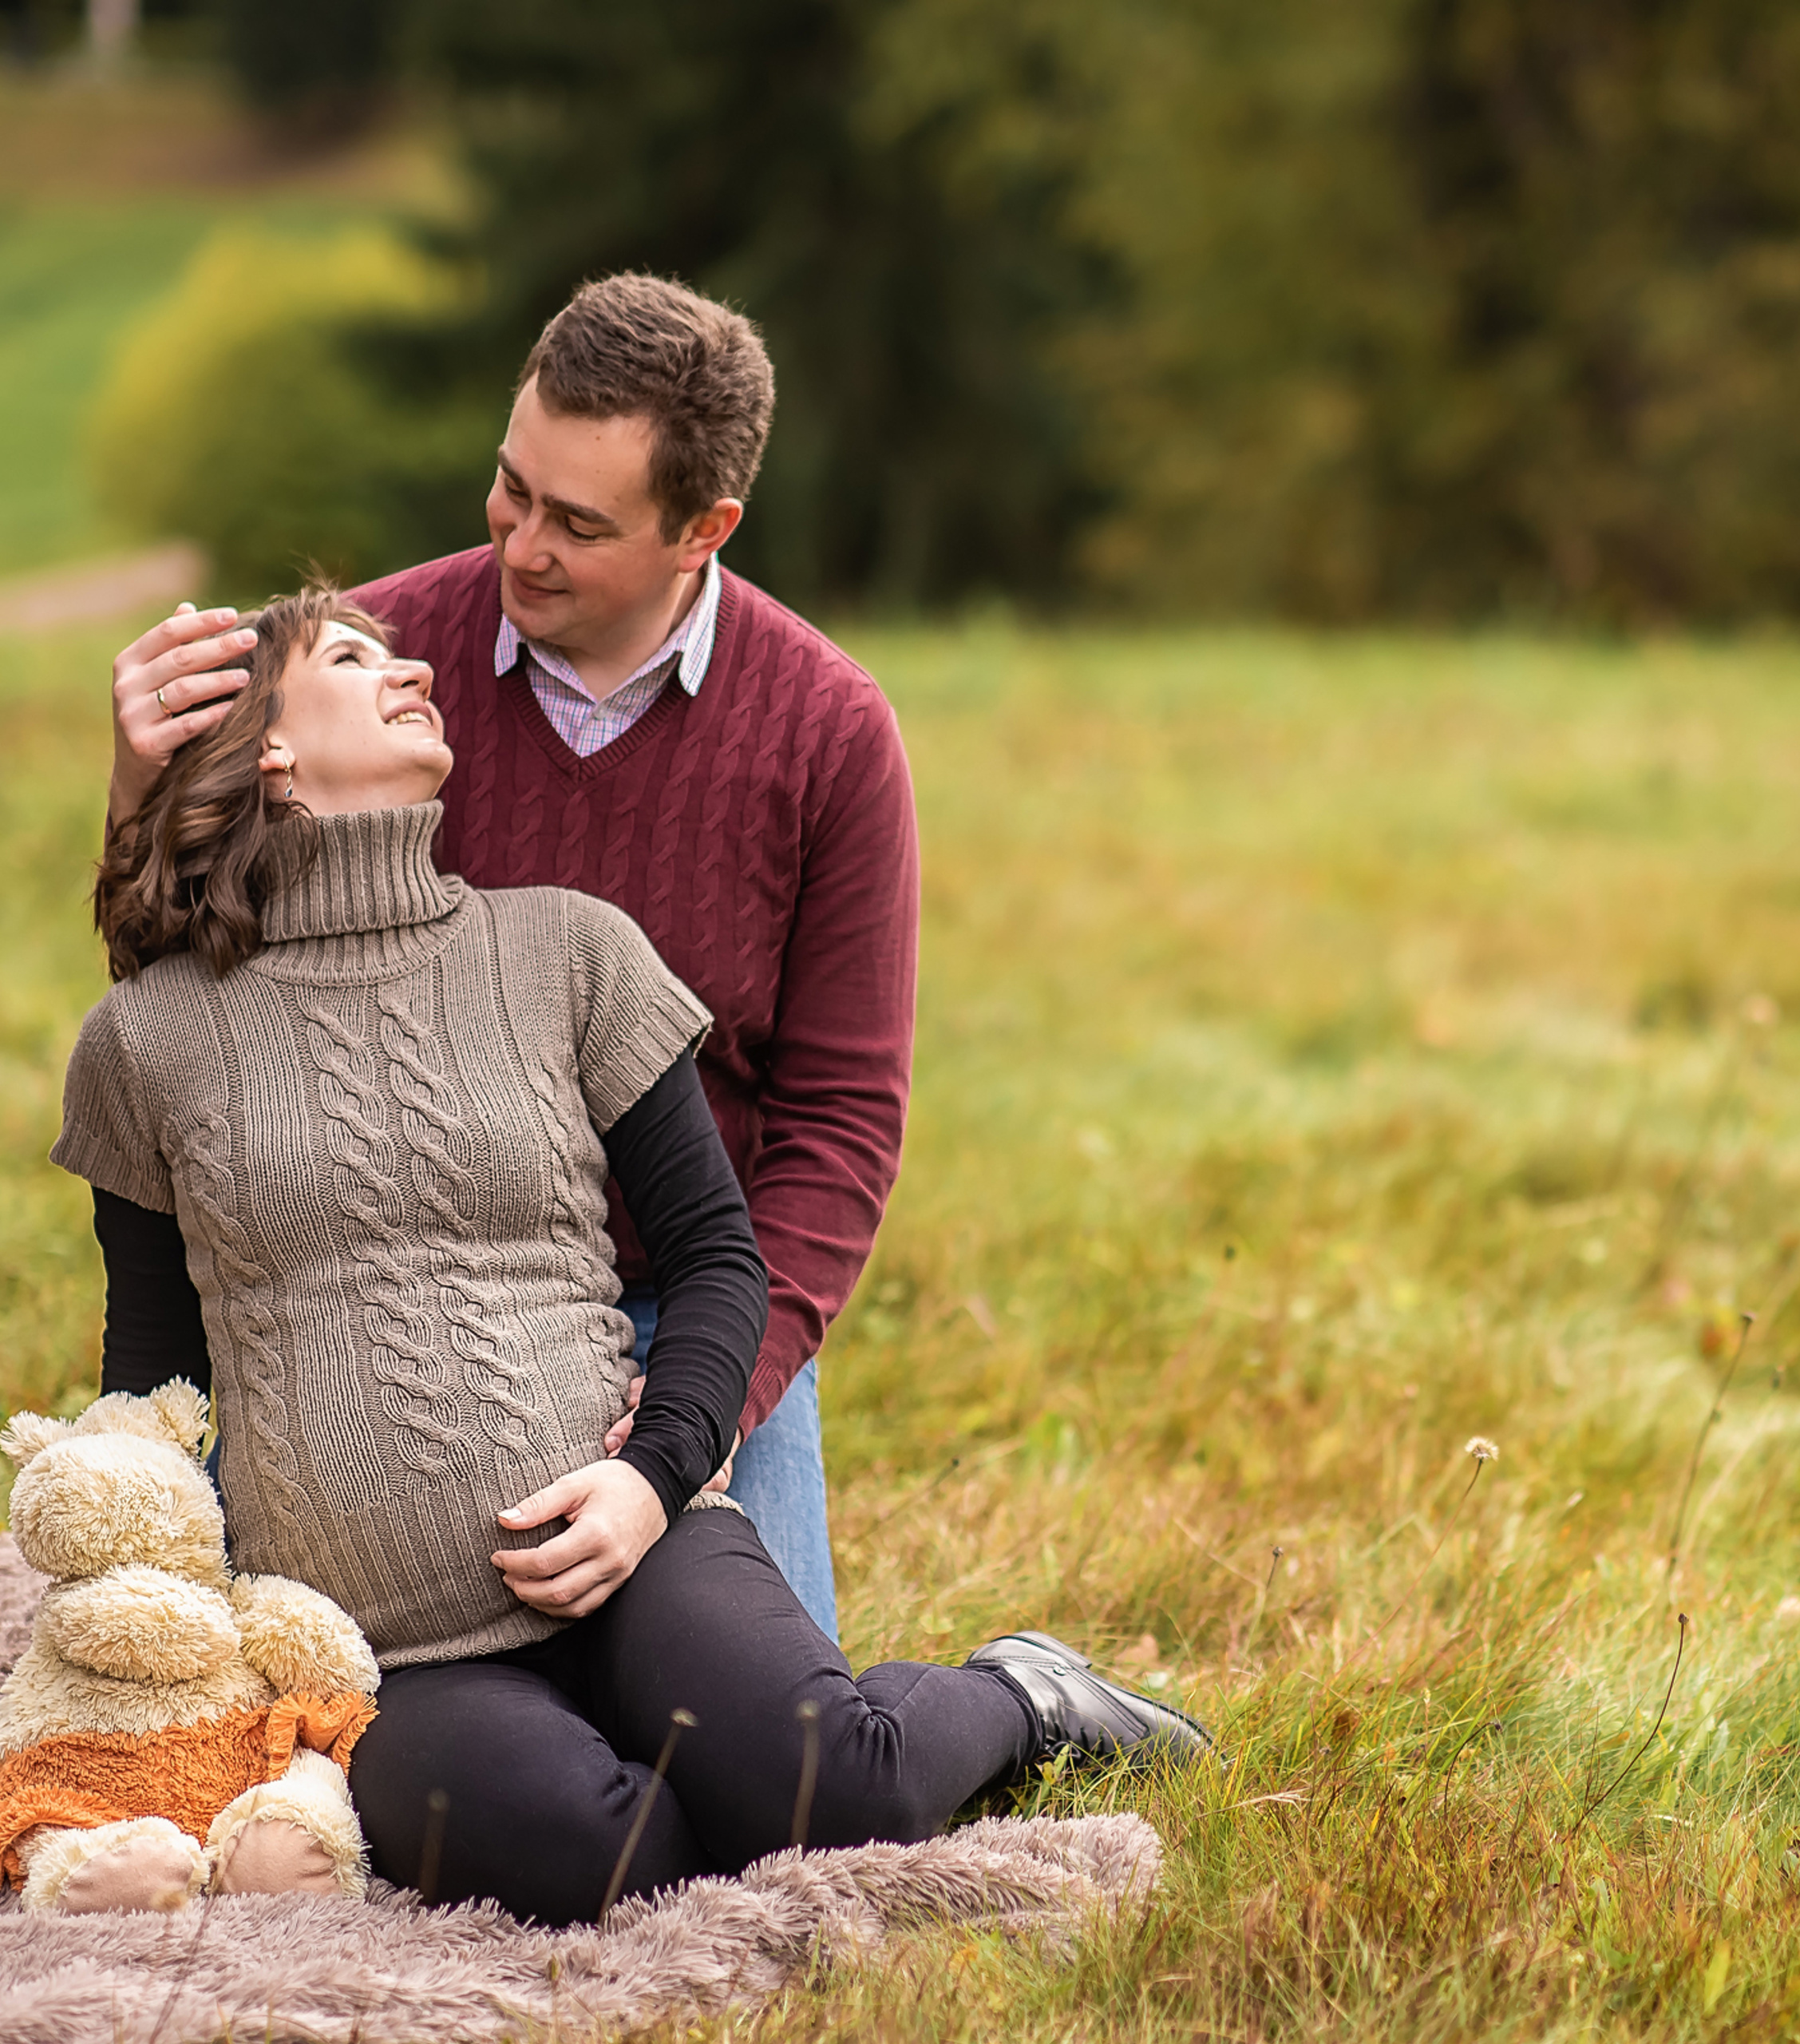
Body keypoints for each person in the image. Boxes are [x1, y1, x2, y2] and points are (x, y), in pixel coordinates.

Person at [55, 588, 1209, 1927]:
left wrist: (653, 1481)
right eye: (358, 657)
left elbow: (723, 1256)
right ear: (270, 750)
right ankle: (674, 1779)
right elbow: (150, 1376)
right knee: (604, 1866)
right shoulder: (145, 1042)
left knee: (838, 1796)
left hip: (640, 1546)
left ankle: (1017, 1693)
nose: (417, 662)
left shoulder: (566, 950)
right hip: (396, 1657)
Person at [103, 274, 904, 1640]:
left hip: (688, 1303)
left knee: (774, 1746)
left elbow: (839, 1122)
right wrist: (142, 783)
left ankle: (1014, 1695)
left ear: (704, 530)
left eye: (579, 523)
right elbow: (180, 1026)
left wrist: (690, 1423)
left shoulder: (827, 733)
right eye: (511, 487)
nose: (521, 544)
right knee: (330, 1749)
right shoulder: (365, 668)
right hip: (382, 1313)